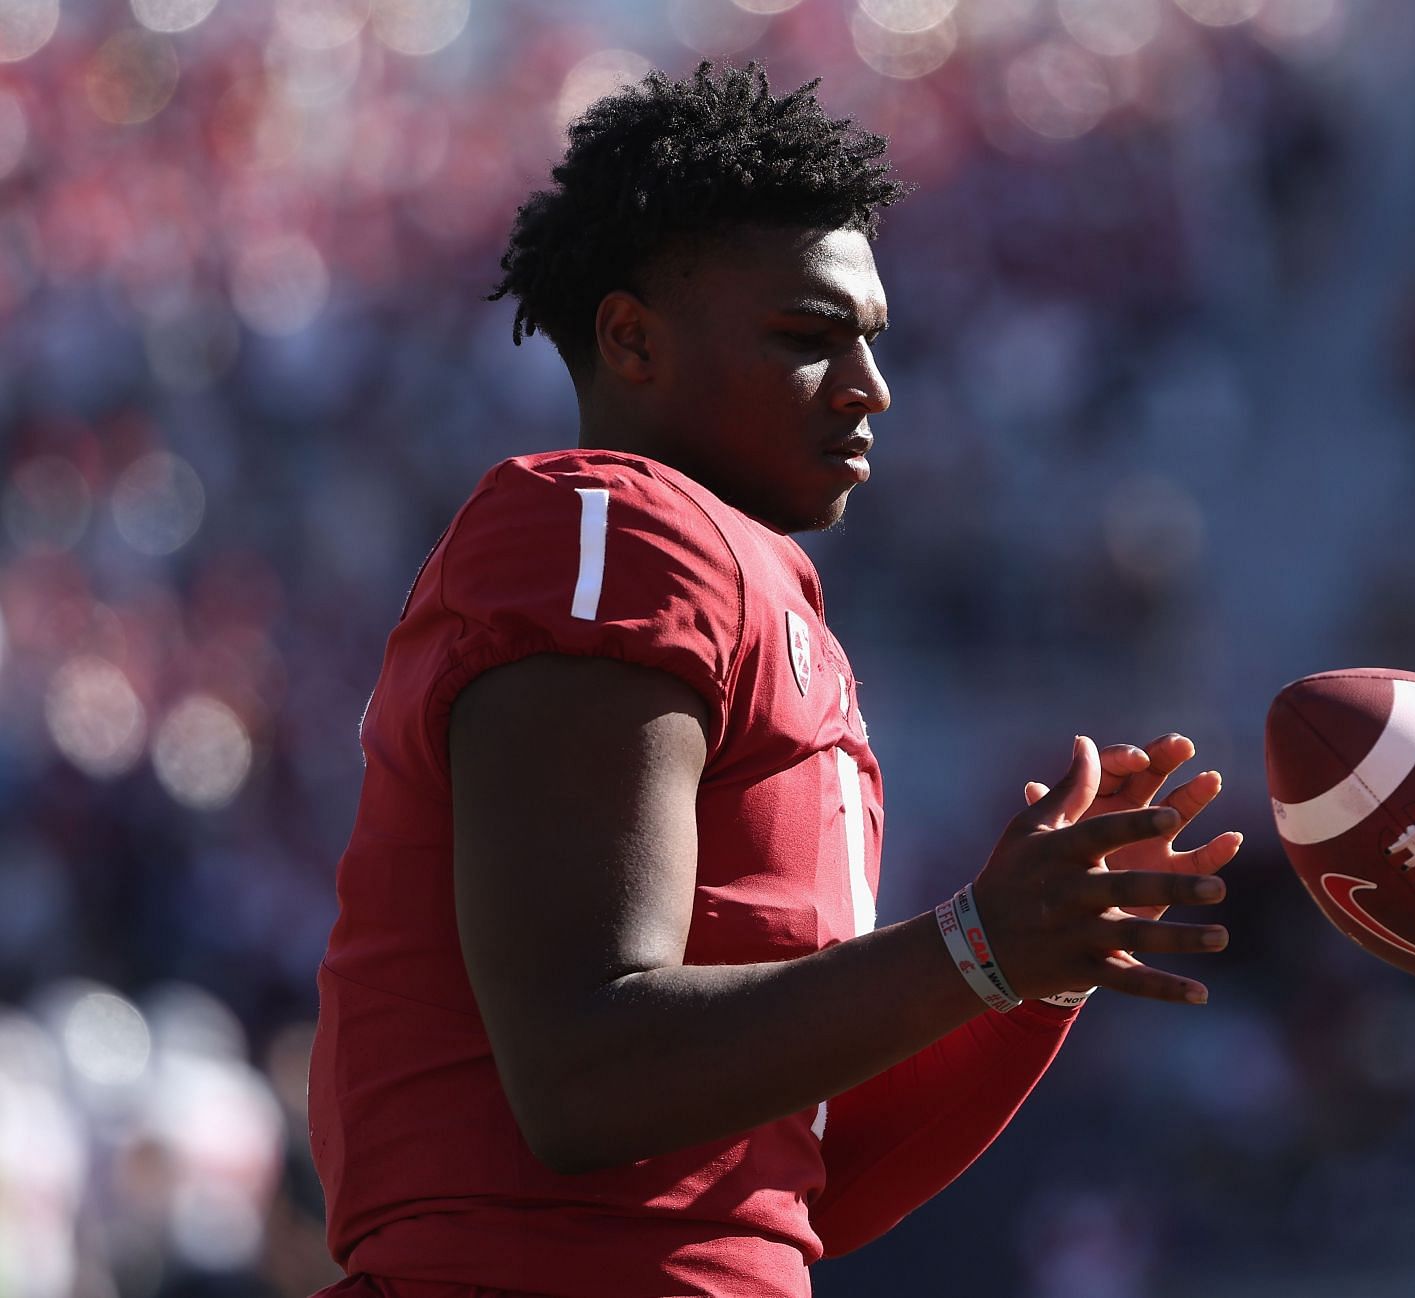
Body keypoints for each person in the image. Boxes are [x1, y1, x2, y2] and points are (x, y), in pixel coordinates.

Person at [307, 63, 1242, 1298]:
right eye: (807, 337)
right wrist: (970, 943)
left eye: (871, 340)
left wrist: (1026, 971)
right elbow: (583, 1074)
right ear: (631, 337)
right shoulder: (609, 524)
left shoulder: (766, 597)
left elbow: (801, 1191)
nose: (870, 387)